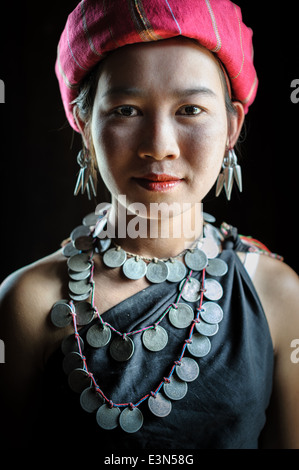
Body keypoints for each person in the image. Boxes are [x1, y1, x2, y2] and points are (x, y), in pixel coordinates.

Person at [0, 0, 298, 450]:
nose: (159, 147)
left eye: (190, 110)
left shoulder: (278, 297)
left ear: (232, 126)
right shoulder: (29, 303)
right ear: (83, 123)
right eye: (126, 110)